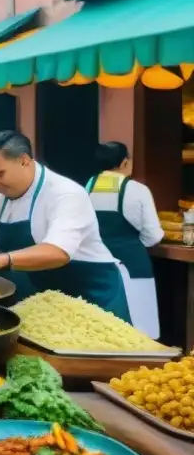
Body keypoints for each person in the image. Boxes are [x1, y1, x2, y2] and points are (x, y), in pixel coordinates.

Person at [0, 130, 130, 320]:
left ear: (24, 160)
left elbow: (58, 252)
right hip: (46, 299)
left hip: (89, 296)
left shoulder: (66, 193)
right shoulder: (2, 191)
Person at [86, 142, 164, 338]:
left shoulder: (87, 187)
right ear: (124, 162)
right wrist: (129, 244)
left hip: (98, 267)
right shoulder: (137, 190)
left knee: (103, 329)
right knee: (140, 332)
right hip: (132, 264)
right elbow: (153, 235)